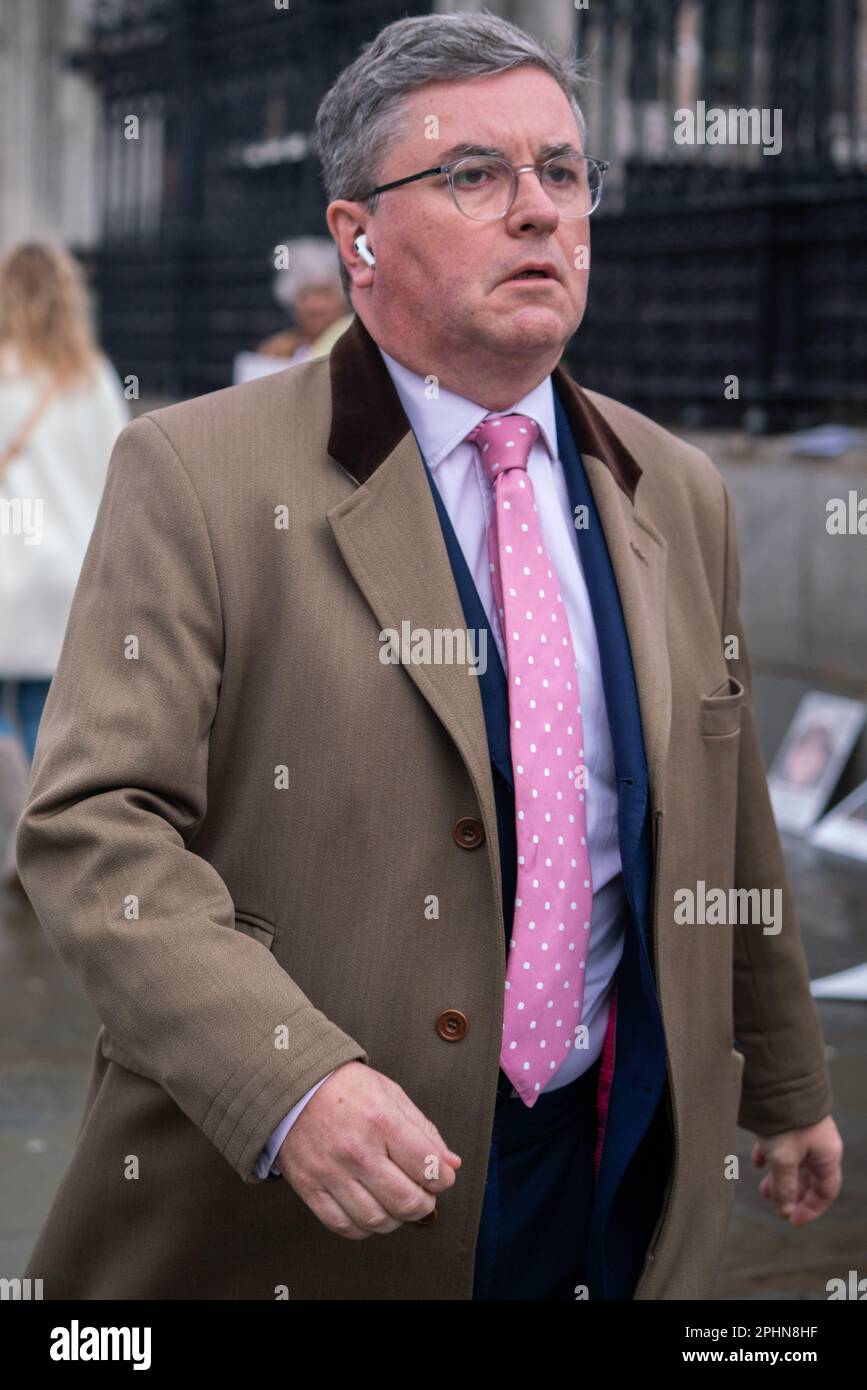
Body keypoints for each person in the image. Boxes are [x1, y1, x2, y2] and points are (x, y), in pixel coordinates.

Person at [16, 12, 841, 1300]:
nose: (539, 213)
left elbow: (728, 813)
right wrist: (290, 1078)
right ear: (357, 235)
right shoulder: (196, 474)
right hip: (309, 1207)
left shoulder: (676, 490)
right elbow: (92, 823)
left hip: (608, 1176)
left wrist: (787, 1085)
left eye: (563, 173)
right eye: (475, 175)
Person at [0, 243, 129, 891]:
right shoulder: (93, 376)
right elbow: (123, 470)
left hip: (6, 569)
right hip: (71, 569)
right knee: (47, 714)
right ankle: (39, 836)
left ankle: (11, 830)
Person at [232, 237, 354, 383]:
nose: (314, 306)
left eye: (324, 293)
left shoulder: (357, 342)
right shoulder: (279, 348)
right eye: (304, 295)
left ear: (344, 297)